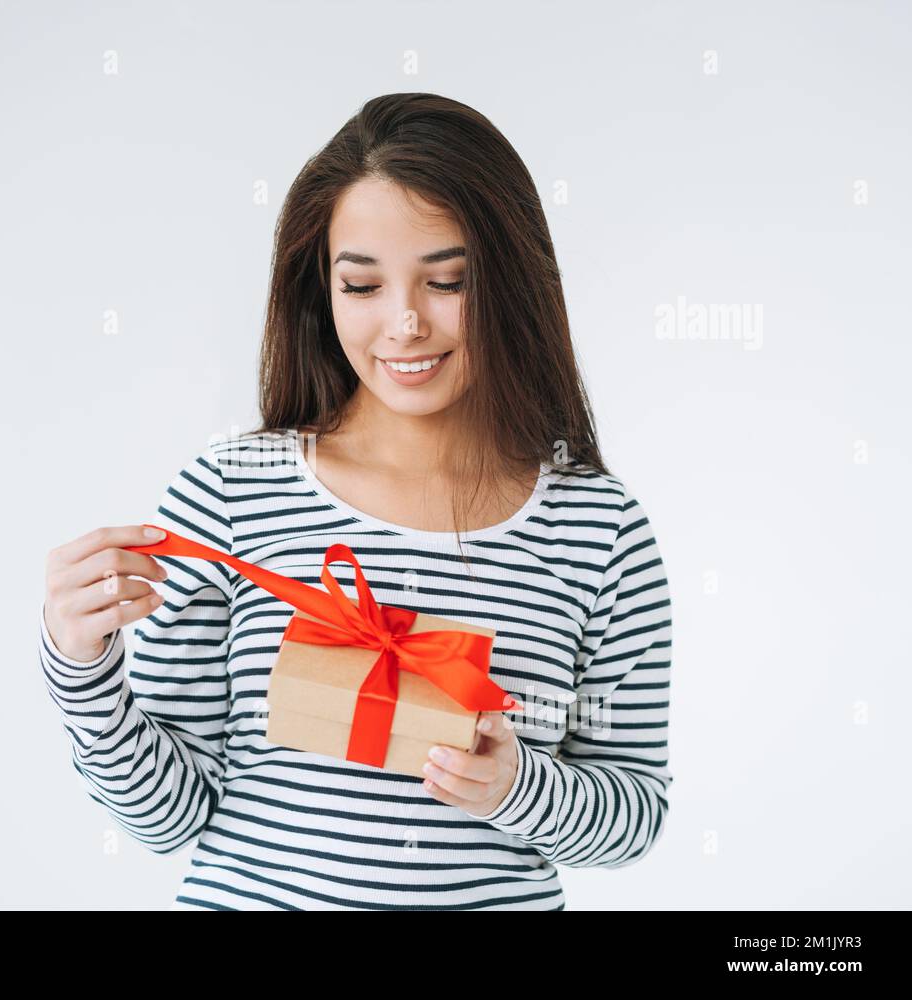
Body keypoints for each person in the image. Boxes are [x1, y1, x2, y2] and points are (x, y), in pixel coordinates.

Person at [39, 93, 674, 910]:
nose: (404, 323)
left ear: (515, 279)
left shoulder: (601, 529)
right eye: (362, 285)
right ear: (322, 291)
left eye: (447, 281)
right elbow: (171, 818)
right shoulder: (234, 493)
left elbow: (635, 815)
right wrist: (79, 667)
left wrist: (517, 787)